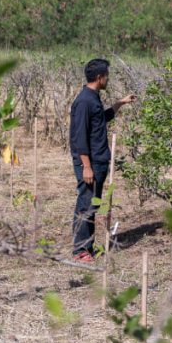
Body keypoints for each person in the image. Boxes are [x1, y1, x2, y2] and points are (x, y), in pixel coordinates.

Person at [69, 58, 137, 262]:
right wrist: (86, 167)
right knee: (85, 205)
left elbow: (101, 119)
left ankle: (87, 247)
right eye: (107, 75)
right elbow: (79, 137)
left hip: (98, 161)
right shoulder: (83, 101)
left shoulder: (93, 98)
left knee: (92, 205)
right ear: (99, 78)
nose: (108, 78)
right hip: (90, 163)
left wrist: (120, 103)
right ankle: (80, 251)